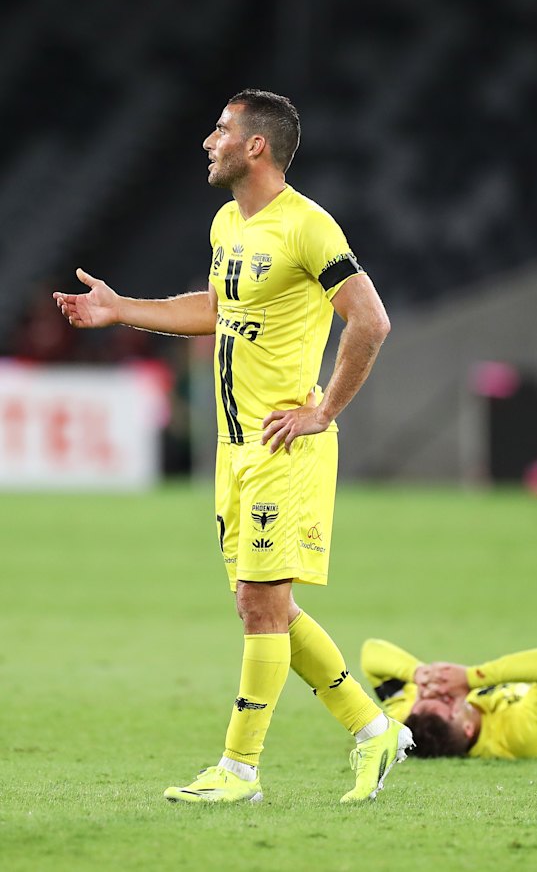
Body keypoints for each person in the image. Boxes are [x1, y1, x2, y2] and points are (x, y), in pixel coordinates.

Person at [53, 89, 413, 804]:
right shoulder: (228, 223)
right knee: (264, 607)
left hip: (282, 445)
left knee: (260, 604)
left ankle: (239, 770)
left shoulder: (308, 226)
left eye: (221, 129)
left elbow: (370, 320)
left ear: (256, 146)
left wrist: (323, 411)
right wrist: (122, 308)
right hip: (235, 447)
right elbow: (220, 310)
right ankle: (375, 731)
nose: (208, 141)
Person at [361, 637, 537, 759]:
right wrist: (471, 678)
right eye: (446, 700)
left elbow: (371, 652)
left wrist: (419, 673)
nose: (439, 691)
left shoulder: (413, 716)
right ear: (467, 728)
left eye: (425, 697)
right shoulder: (514, 738)